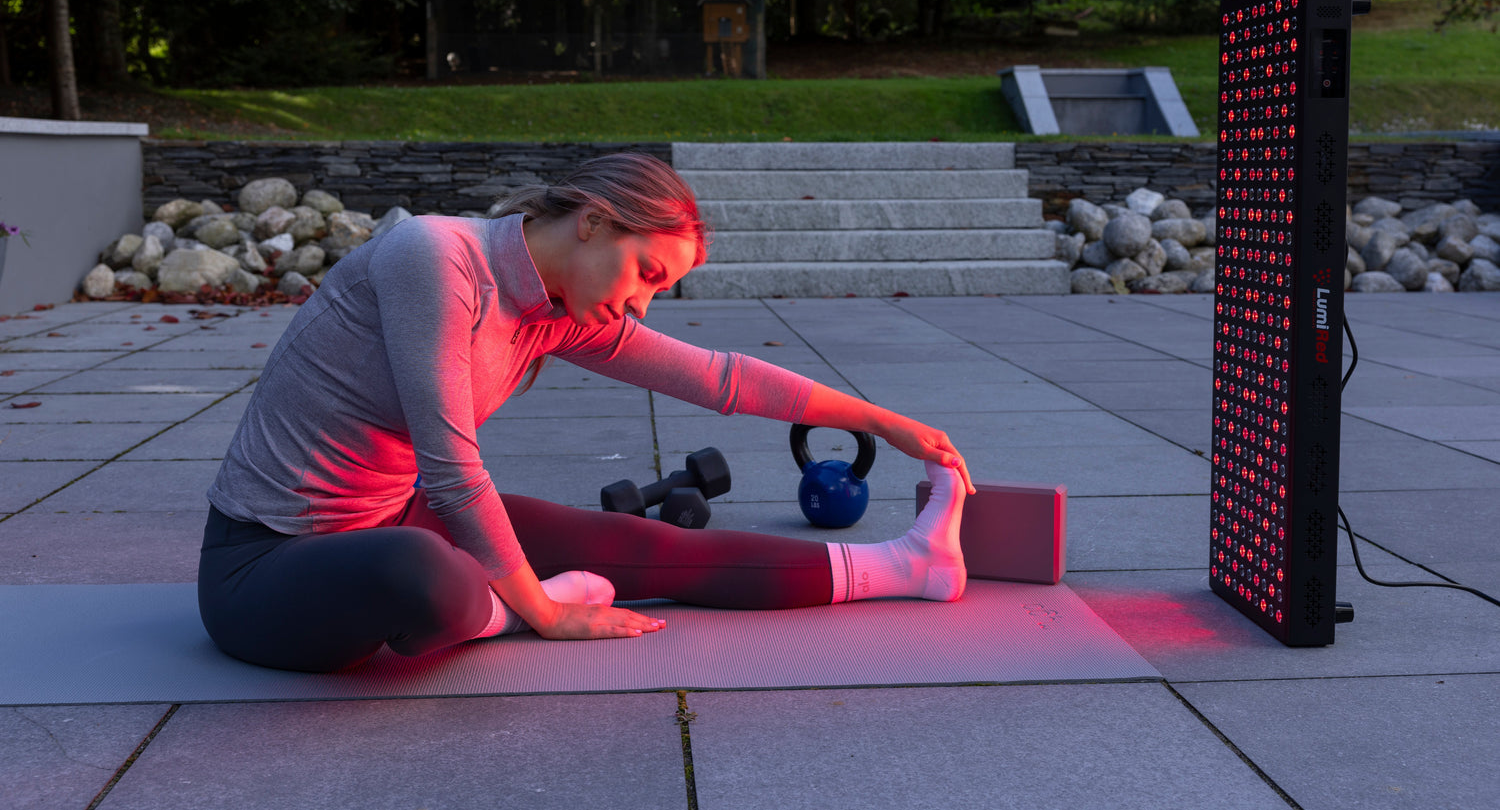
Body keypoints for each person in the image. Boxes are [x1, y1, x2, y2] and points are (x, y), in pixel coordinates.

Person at [198, 153, 975, 673]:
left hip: (395, 512)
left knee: (639, 541)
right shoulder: (433, 258)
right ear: (594, 220)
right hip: (264, 563)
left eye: (658, 290)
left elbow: (720, 378)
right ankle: (507, 611)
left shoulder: (561, 310)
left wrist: (883, 421)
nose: (640, 302)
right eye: (646, 272)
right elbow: (450, 462)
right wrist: (546, 612)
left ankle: (909, 564)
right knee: (421, 570)